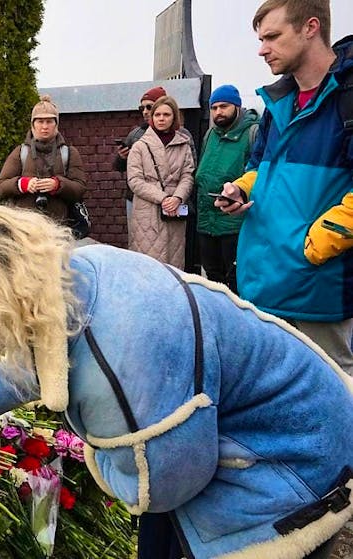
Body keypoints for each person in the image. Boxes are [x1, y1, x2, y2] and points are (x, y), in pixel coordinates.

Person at [0, 205, 353, 559]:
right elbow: (42, 345)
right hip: (274, 420)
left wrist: (105, 460)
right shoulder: (72, 274)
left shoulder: (121, 360)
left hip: (290, 467)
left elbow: (164, 483)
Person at [217, 0, 353, 374]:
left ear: (311, 27)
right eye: (261, 39)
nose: (262, 49)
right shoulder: (277, 102)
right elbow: (259, 166)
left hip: (316, 288)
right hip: (262, 281)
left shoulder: (348, 99)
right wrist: (241, 190)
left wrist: (320, 241)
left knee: (333, 395)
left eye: (272, 36)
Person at [195, 84, 260, 293]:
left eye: (224, 106)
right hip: (206, 221)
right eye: (214, 108)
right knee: (212, 281)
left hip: (234, 222)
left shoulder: (253, 133)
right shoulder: (210, 135)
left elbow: (258, 172)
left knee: (236, 282)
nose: (218, 112)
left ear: (237, 107)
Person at [0, 95, 89, 238]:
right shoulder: (20, 152)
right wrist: (23, 184)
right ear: (33, 125)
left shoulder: (69, 153)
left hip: (59, 228)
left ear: (56, 124)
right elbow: (1, 187)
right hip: (24, 230)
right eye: (40, 121)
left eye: (49, 121)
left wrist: (58, 185)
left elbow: (80, 188)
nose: (44, 126)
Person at [126, 95, 196, 269]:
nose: (161, 119)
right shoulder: (140, 146)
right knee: (147, 265)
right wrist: (163, 198)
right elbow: (135, 180)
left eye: (166, 114)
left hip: (174, 211)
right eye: (157, 115)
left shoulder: (183, 144)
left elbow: (188, 175)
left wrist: (178, 197)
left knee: (174, 265)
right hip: (147, 212)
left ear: (174, 117)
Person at [114, 86, 167, 235]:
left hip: (167, 198)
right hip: (136, 197)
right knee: (138, 238)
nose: (145, 111)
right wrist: (122, 157)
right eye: (141, 108)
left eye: (149, 107)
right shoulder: (136, 134)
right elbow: (119, 167)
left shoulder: (180, 135)